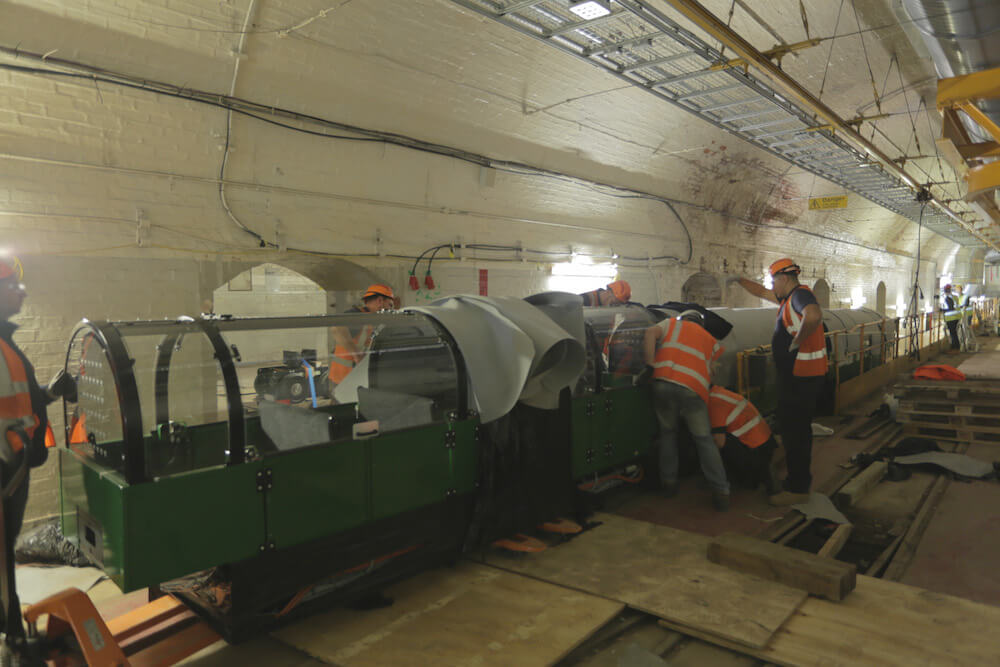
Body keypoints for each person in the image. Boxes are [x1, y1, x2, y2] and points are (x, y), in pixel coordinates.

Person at [0, 256, 73, 643]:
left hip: (15, 467)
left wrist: (49, 392)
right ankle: (12, 638)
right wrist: (18, 447)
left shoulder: (6, 345)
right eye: (12, 285)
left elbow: (21, 400)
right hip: (5, 472)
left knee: (5, 553)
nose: (22, 291)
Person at [733, 258, 827, 506]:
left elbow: (814, 315)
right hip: (799, 377)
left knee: (795, 433)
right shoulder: (788, 299)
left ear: (784, 279)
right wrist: (739, 280)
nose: (771, 286)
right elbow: (763, 292)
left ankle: (798, 488)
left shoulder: (799, 296)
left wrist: (797, 341)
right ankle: (798, 480)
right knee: (792, 429)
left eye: (773, 280)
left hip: (801, 377)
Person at [639, 310, 729, 511]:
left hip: (662, 383)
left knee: (667, 434)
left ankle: (669, 485)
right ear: (700, 324)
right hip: (692, 389)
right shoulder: (710, 340)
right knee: (704, 439)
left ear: (683, 318)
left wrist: (651, 363)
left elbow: (648, 333)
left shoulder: (670, 324)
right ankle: (721, 491)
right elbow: (711, 372)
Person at [708, 385, 778, 493]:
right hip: (764, 443)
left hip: (755, 451)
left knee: (715, 441)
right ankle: (759, 471)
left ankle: (755, 474)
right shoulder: (719, 392)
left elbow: (719, 442)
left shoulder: (714, 402)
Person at [328, 284, 396, 388]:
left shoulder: (370, 319)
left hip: (355, 378)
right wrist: (357, 355)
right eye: (390, 305)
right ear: (380, 301)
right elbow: (336, 328)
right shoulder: (357, 315)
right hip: (344, 379)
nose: (390, 309)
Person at [940, 284, 961, 353]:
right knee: (953, 333)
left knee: (953, 333)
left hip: (951, 318)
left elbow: (950, 308)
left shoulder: (948, 298)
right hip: (956, 317)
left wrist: (942, 310)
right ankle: (954, 347)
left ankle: (956, 348)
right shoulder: (955, 297)